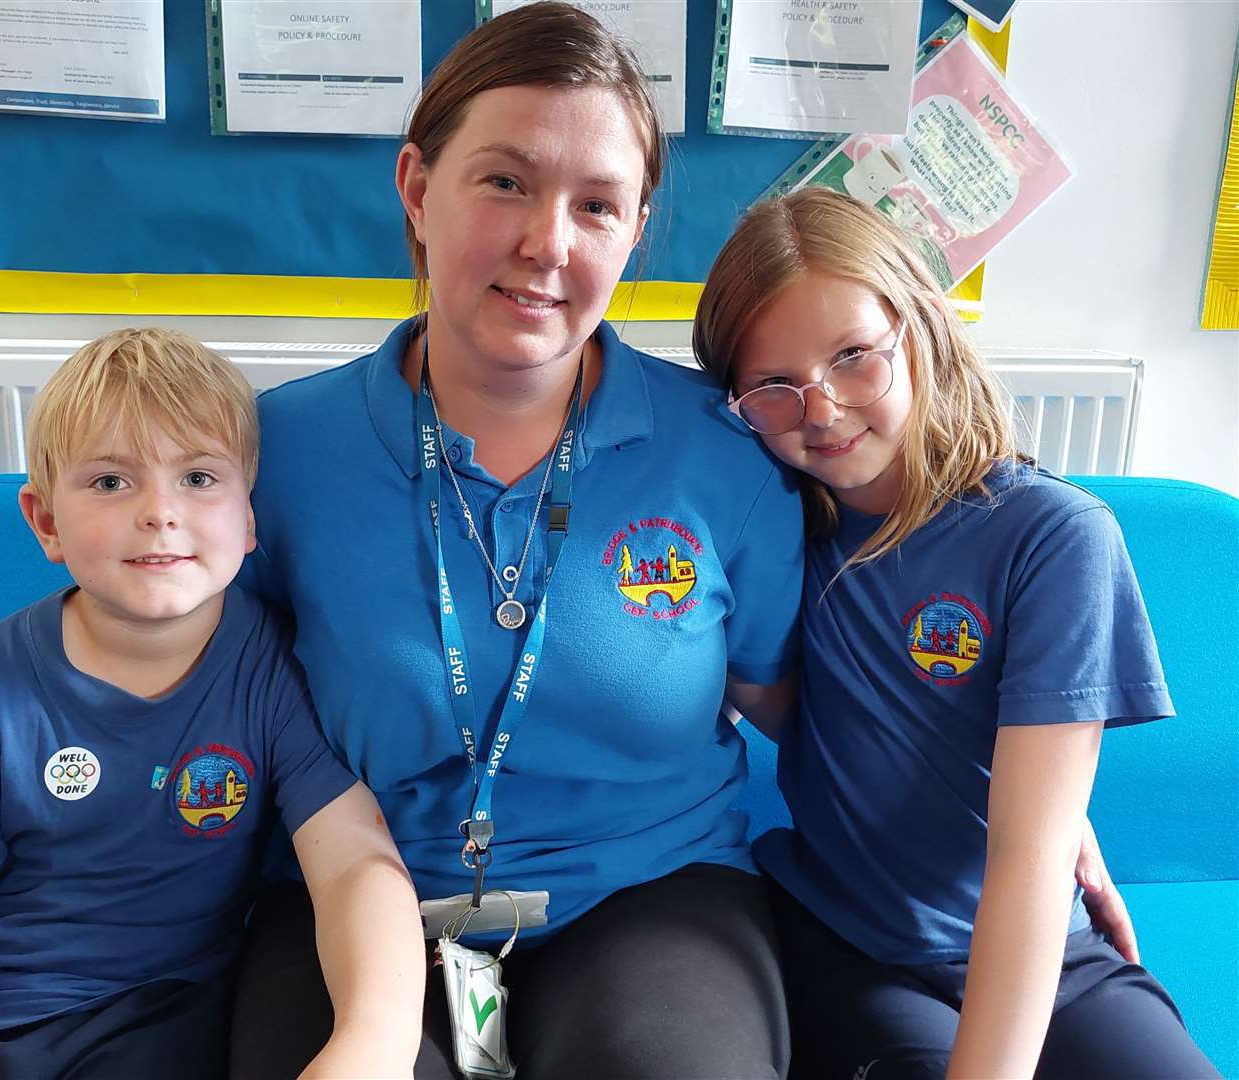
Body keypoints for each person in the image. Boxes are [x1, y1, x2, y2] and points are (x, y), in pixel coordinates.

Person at [229, 4, 803, 1077]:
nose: (549, 242)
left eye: (598, 205)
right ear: (416, 188)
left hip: (652, 894)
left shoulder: (722, 458)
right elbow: (175, 685)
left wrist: (987, 805)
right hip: (364, 899)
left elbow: (817, 707)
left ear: (633, 233)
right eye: (504, 182)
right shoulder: (275, 454)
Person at [693, 188, 1219, 1079]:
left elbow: (1031, 854)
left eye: (855, 356)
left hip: (1049, 948)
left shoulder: (1053, 537)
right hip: (855, 943)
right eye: (773, 387)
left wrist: (1058, 817)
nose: (819, 411)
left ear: (922, 328)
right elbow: (811, 710)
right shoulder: (771, 522)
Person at [0, 329, 426, 1079]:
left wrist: (374, 1043)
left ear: (250, 517)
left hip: (162, 1015)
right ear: (46, 522)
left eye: (198, 477)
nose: (160, 512)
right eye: (110, 482)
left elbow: (356, 862)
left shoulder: (281, 669)